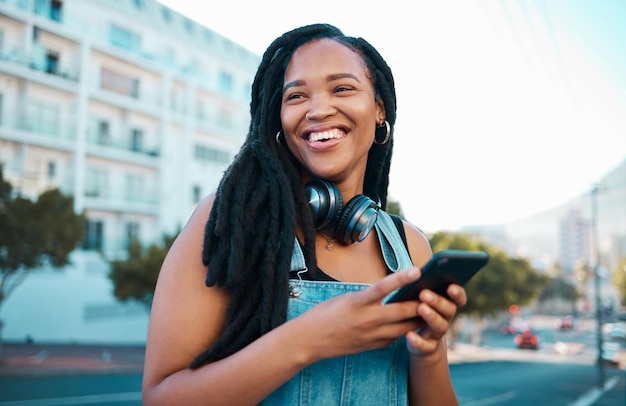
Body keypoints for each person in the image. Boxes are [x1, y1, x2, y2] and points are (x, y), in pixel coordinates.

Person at [142, 23, 467, 405]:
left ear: (380, 108)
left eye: (342, 88)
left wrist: (426, 353)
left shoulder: (410, 246)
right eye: (296, 95)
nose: (318, 110)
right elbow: (161, 397)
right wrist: (307, 339)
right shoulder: (228, 220)